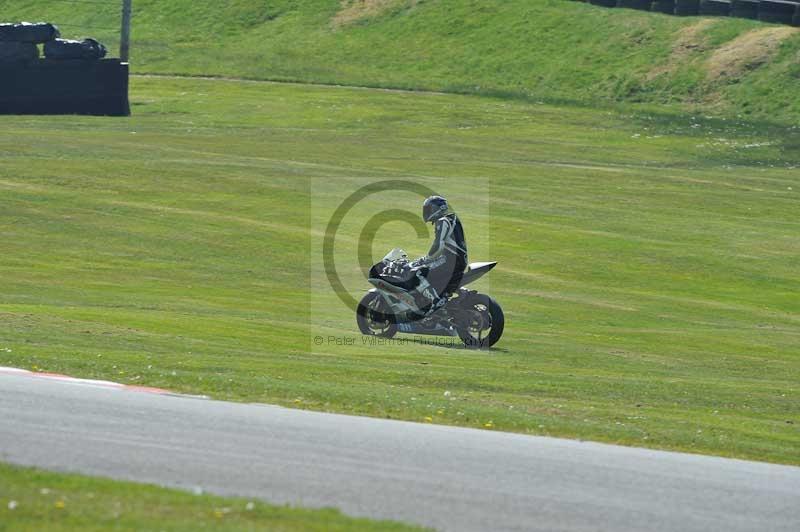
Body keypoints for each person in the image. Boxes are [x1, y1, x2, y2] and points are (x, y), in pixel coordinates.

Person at [411, 196, 468, 314]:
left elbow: (438, 246)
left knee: (418, 272)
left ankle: (436, 301)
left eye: (428, 209)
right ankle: (451, 295)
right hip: (459, 260)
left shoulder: (442, 221)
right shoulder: (453, 218)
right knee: (432, 276)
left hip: (451, 260)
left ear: (436, 209)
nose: (426, 212)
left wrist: (424, 260)